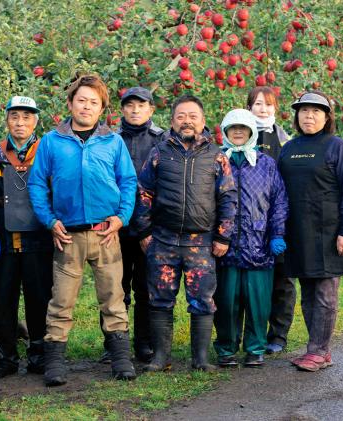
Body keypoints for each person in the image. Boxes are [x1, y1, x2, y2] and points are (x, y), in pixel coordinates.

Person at [29, 74, 138, 386]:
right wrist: (49, 220)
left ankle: (120, 359)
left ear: (101, 108)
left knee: (113, 298)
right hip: (68, 236)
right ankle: (55, 363)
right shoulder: (51, 142)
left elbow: (128, 181)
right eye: (82, 100)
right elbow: (37, 184)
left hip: (105, 233)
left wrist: (122, 217)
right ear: (70, 104)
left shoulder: (112, 141)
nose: (87, 107)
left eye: (94, 102)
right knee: (61, 300)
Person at [135, 95, 237, 372]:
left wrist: (223, 236)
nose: (187, 121)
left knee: (203, 300)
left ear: (203, 121)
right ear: (172, 121)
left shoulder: (216, 156)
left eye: (192, 116)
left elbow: (228, 197)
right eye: (181, 116)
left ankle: (201, 360)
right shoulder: (158, 153)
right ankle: (160, 358)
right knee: (159, 299)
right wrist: (144, 231)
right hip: (163, 240)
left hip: (201, 243)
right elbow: (143, 192)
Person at [278, 91, 343, 372]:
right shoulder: (289, 147)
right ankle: (317, 350)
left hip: (329, 231)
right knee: (308, 291)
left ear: (326, 117)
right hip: (297, 231)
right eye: (303, 111)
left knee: (326, 293)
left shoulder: (337, 146)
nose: (308, 116)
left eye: (315, 111)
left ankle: (319, 350)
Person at [0, 96, 53, 379]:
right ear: (7, 120)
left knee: (40, 298)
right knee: (2, 299)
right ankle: (5, 360)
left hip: (39, 237)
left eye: (26, 117)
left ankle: (40, 356)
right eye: (14, 117)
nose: (20, 122)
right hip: (3, 238)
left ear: (36, 121)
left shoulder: (47, 151)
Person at [213, 109, 288, 368]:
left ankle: (255, 348)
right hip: (225, 246)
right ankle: (226, 348)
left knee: (258, 303)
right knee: (226, 302)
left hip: (259, 246)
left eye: (242, 128)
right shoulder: (216, 161)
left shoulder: (265, 163)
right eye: (232, 128)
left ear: (251, 132)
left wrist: (277, 234)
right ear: (224, 131)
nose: (237, 132)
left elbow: (279, 201)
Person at [99, 87, 164, 364]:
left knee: (146, 288)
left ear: (151, 109)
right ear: (122, 110)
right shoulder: (109, 140)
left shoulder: (162, 140)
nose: (135, 110)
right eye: (130, 105)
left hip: (150, 227)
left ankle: (143, 344)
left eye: (142, 105)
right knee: (114, 288)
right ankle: (114, 343)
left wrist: (151, 227)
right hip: (116, 227)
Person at [245, 86, 295, 354]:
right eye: (257, 104)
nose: (263, 109)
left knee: (282, 281)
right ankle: (252, 335)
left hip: (280, 223)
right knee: (250, 282)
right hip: (248, 225)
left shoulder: (286, 141)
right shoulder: (239, 136)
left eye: (268, 104)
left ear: (276, 108)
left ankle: (278, 335)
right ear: (249, 107)